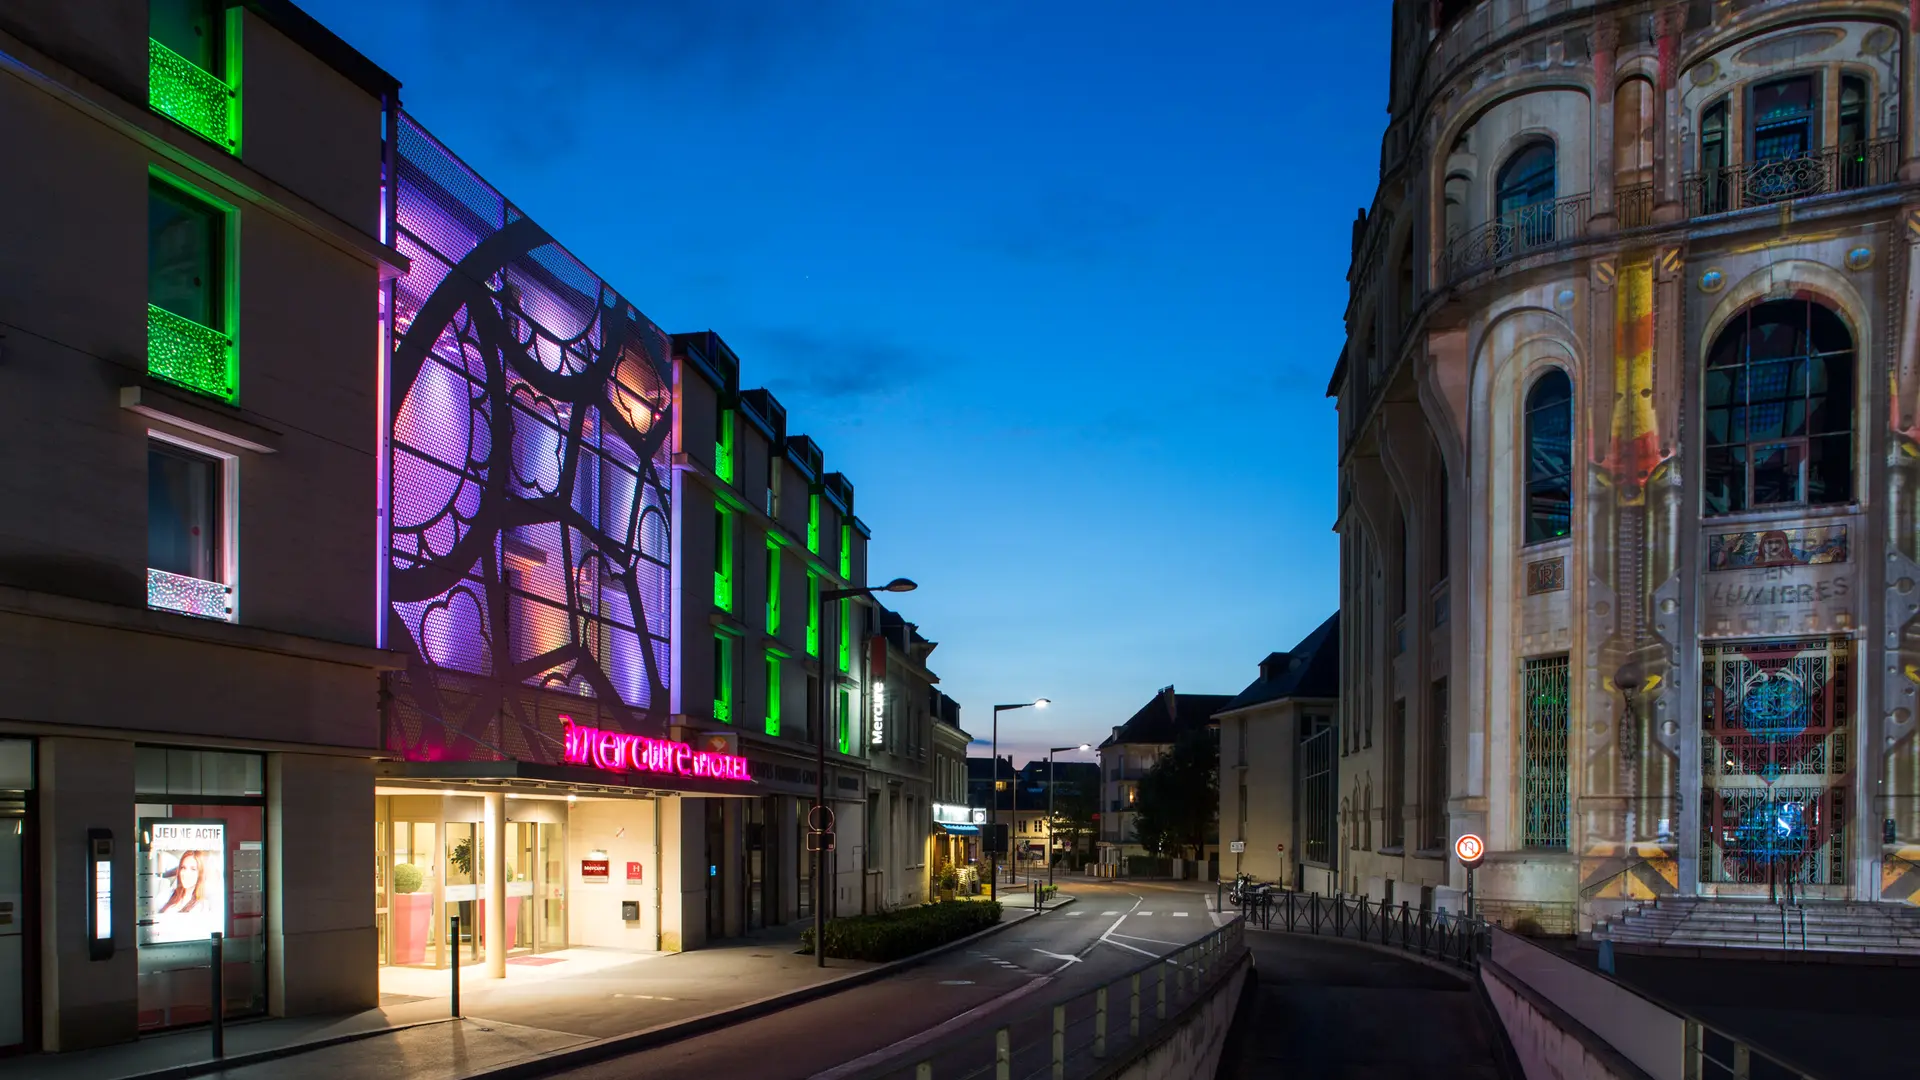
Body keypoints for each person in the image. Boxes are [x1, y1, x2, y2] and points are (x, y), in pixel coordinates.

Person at [158, 849, 213, 915]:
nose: (186, 873)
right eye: (183, 868)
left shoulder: (203, 906)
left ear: (200, 873)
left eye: (193, 869)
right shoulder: (166, 895)